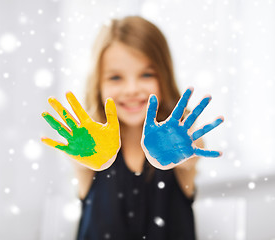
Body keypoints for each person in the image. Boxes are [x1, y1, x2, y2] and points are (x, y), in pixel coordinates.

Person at [42, 16, 223, 240]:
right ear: (98, 85)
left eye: (146, 74)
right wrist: (85, 153)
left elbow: (192, 155)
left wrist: (184, 149)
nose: (132, 89)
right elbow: (77, 163)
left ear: (164, 76)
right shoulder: (90, 150)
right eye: (115, 77)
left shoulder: (179, 146)